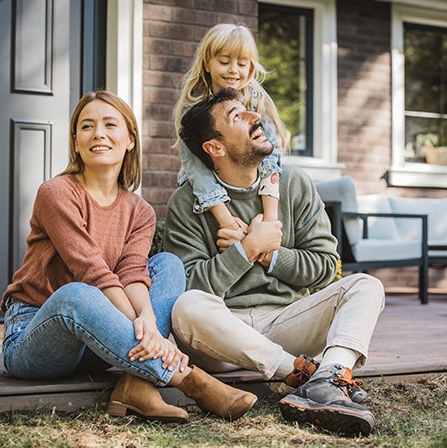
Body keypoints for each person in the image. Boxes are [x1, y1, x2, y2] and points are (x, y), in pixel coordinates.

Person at [0, 90, 257, 424]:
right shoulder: (56, 193)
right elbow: (90, 270)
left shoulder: (139, 210)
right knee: (78, 294)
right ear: (76, 142)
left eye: (110, 124)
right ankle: (192, 380)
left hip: (100, 341)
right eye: (87, 126)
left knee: (168, 265)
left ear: (130, 139)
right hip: (36, 338)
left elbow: (132, 272)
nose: (98, 134)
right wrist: (146, 330)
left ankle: (135, 384)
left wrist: (148, 320)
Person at [164, 87, 385, 436]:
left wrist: (270, 254)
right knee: (186, 306)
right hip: (222, 333)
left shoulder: (294, 183)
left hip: (287, 321)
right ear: (215, 148)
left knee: (366, 286)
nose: (256, 117)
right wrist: (245, 250)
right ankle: (299, 373)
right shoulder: (186, 202)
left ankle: (329, 376)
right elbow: (187, 285)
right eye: (237, 116)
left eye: (249, 111)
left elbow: (326, 265)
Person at [174, 23, 289, 244]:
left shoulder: (256, 101)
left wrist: (270, 219)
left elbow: (271, 155)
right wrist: (227, 222)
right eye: (224, 62)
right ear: (207, 63)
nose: (233, 70)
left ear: (251, 68)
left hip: (255, 189)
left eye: (242, 63)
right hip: (207, 193)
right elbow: (197, 171)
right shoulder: (194, 109)